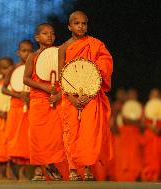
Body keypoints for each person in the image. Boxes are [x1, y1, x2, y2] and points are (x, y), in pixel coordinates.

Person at [58, 11, 113, 181]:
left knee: (89, 133)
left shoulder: (95, 44)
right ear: (69, 26)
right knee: (72, 132)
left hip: (92, 95)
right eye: (77, 23)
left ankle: (88, 168)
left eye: (84, 23)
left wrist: (90, 94)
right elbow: (62, 75)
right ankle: (73, 168)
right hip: (70, 97)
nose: (81, 26)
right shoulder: (63, 48)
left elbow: (105, 64)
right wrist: (72, 97)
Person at [23, 23, 66, 181]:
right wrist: (44, 87)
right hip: (39, 101)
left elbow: (67, 78)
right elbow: (26, 79)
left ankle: (51, 164)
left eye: (52, 33)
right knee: (37, 136)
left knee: (55, 137)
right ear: (37, 37)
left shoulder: (60, 54)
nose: (49, 36)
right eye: (45, 33)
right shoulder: (32, 56)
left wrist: (59, 94)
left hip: (56, 101)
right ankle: (38, 169)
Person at [2, 40, 33, 180]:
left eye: (29, 51)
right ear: (18, 52)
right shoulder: (12, 69)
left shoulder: (35, 69)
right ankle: (9, 166)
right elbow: (4, 89)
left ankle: (22, 172)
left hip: (29, 108)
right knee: (13, 139)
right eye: (24, 50)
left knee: (26, 141)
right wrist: (18, 95)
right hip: (15, 107)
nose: (26, 53)